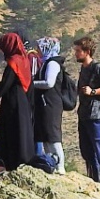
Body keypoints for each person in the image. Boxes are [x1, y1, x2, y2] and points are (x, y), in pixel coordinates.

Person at [0, 33, 36, 174]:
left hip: (13, 101)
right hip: (22, 101)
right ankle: (19, 160)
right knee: (20, 130)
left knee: (9, 130)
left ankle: (5, 163)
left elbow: (5, 83)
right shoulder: (24, 61)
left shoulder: (14, 61)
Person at [73, 36, 100, 185]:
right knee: (87, 152)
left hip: (97, 116)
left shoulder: (97, 68)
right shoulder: (83, 69)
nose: (76, 54)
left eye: (78, 51)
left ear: (87, 51)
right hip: (84, 115)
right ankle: (94, 181)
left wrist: (93, 92)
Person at [30, 37, 68, 174]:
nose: (38, 50)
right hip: (44, 104)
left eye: (40, 47)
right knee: (45, 136)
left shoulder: (52, 64)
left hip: (51, 105)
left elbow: (49, 83)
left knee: (52, 135)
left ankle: (60, 166)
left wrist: (31, 85)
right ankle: (50, 163)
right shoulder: (46, 62)